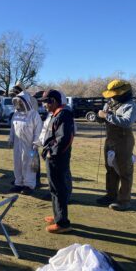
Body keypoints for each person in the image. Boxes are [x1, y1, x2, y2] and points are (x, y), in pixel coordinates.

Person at [96, 79, 136, 211]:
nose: (113, 96)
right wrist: (100, 118)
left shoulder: (131, 105)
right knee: (110, 169)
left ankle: (124, 201)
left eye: (115, 94)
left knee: (124, 171)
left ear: (124, 92)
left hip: (124, 141)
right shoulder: (110, 103)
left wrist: (107, 116)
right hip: (110, 140)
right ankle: (111, 195)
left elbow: (127, 122)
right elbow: (104, 117)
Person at [40, 90, 74, 234]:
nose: (44, 105)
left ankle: (62, 223)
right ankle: (57, 216)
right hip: (53, 156)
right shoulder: (56, 114)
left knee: (59, 189)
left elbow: (65, 138)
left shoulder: (63, 114)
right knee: (54, 188)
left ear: (53, 101)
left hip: (57, 158)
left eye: (46, 102)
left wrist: (51, 153)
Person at [9, 93, 42, 195]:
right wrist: (11, 139)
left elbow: (39, 130)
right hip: (17, 144)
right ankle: (18, 183)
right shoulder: (16, 115)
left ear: (26, 102)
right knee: (17, 163)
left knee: (29, 165)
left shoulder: (34, 114)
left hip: (30, 146)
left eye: (20, 102)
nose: (18, 104)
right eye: (17, 102)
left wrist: (36, 143)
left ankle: (29, 185)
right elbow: (12, 129)